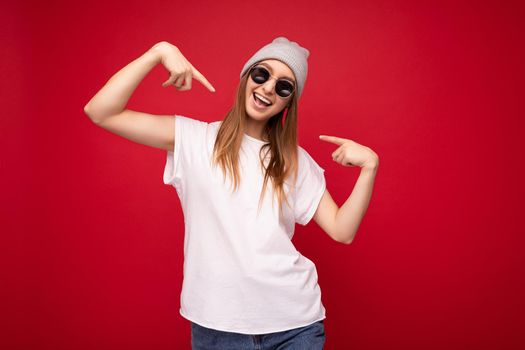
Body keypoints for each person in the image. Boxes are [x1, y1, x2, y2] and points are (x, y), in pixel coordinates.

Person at [84, 36, 379, 350]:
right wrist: (158, 52)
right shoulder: (194, 139)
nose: (268, 88)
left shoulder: (295, 160)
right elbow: (101, 112)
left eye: (283, 86)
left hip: (294, 324)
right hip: (217, 328)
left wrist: (369, 168)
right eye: (262, 74)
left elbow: (341, 230)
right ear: (247, 76)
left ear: (288, 103)